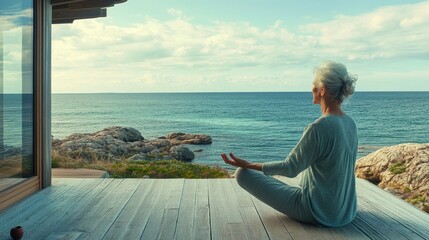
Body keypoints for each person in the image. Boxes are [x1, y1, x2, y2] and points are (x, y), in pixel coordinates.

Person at [221, 61, 358, 227]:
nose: (311, 88)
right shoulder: (350, 123)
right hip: (346, 212)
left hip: (317, 212)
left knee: (242, 173)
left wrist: (249, 165)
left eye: (313, 84)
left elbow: (290, 168)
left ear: (322, 90)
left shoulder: (318, 128)